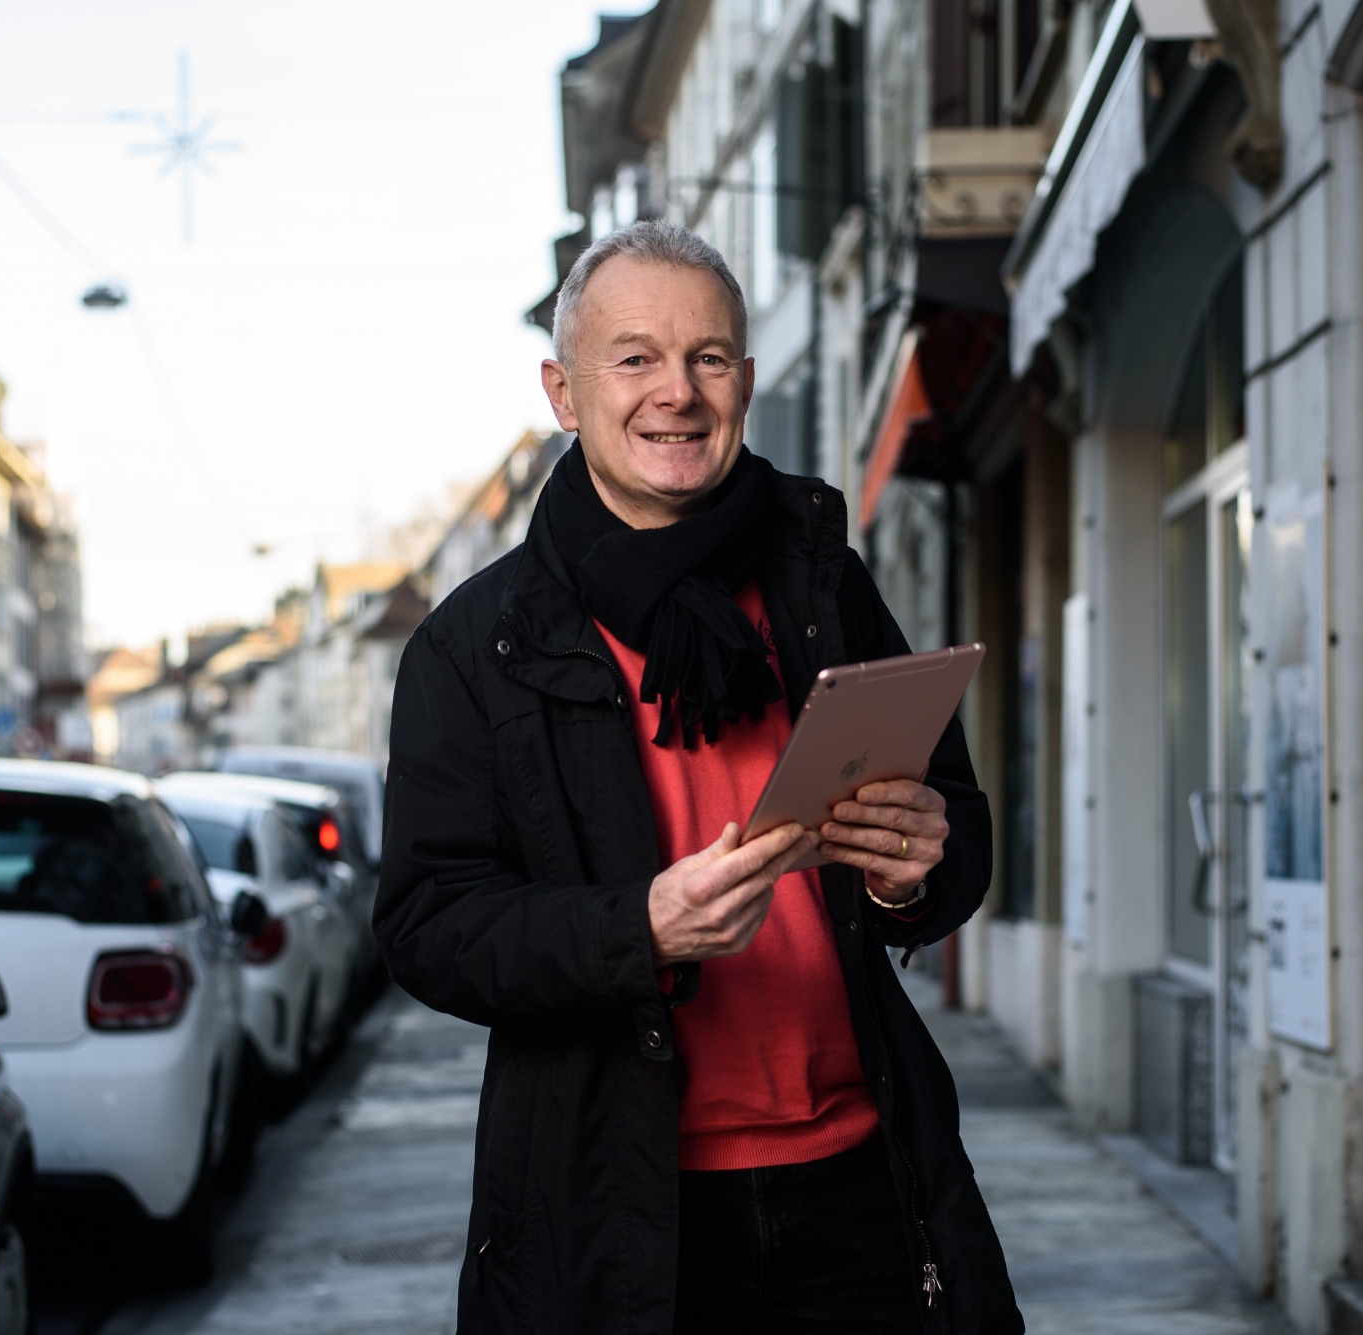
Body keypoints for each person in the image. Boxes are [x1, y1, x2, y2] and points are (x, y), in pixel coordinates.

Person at [375, 219, 1021, 1335]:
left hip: (868, 1181)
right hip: (619, 1211)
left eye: (707, 358)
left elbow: (954, 834)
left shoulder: (822, 583)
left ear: (745, 380)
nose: (674, 392)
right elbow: (431, 926)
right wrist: (640, 928)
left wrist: (912, 872)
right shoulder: (473, 645)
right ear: (562, 393)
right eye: (632, 358)